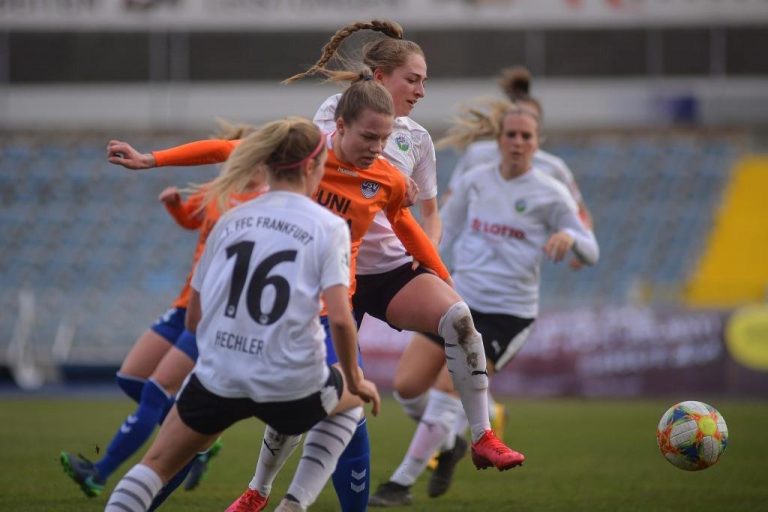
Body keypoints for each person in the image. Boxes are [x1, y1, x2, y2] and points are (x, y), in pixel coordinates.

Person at [109, 67, 525, 512]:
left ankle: (478, 435)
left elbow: (406, 225)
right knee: (341, 404)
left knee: (164, 458)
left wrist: (441, 275)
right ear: (334, 134)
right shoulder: (322, 201)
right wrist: (152, 159)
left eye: (384, 139)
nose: (378, 147)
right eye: (370, 137)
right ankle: (272, 495)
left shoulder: (238, 219)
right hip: (310, 314)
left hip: (238, 350)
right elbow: (232, 149)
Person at [103, 115, 381, 512]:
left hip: (220, 375)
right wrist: (354, 377)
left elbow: (194, 318)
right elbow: (339, 318)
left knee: (154, 467)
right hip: (290, 382)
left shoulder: (228, 218)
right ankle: (294, 503)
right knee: (353, 399)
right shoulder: (329, 226)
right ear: (311, 167)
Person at [369, 100, 600, 507]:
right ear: (498, 139)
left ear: (537, 142)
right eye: (510, 134)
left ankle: (400, 483)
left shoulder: (551, 192)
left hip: (508, 314)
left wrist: (572, 239)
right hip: (462, 299)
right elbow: (444, 227)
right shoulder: (476, 180)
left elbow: (591, 250)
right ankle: (453, 442)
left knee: (449, 387)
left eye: (526, 136)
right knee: (407, 387)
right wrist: (425, 265)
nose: (518, 142)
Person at [60, 126, 264, 505]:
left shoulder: (269, 202)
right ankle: (196, 442)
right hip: (187, 303)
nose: (232, 161)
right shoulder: (218, 192)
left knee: (156, 390)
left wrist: (150, 159)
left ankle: (100, 471)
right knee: (130, 377)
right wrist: (174, 205)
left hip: (217, 311)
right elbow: (191, 219)